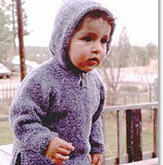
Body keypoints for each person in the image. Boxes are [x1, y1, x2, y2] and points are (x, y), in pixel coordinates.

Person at [9, 0, 115, 165]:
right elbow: (22, 120)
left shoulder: (96, 82)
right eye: (88, 38)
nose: (98, 48)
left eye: (103, 41)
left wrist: (97, 147)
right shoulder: (42, 79)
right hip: (38, 160)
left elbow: (94, 118)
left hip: (77, 161)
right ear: (64, 40)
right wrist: (47, 142)